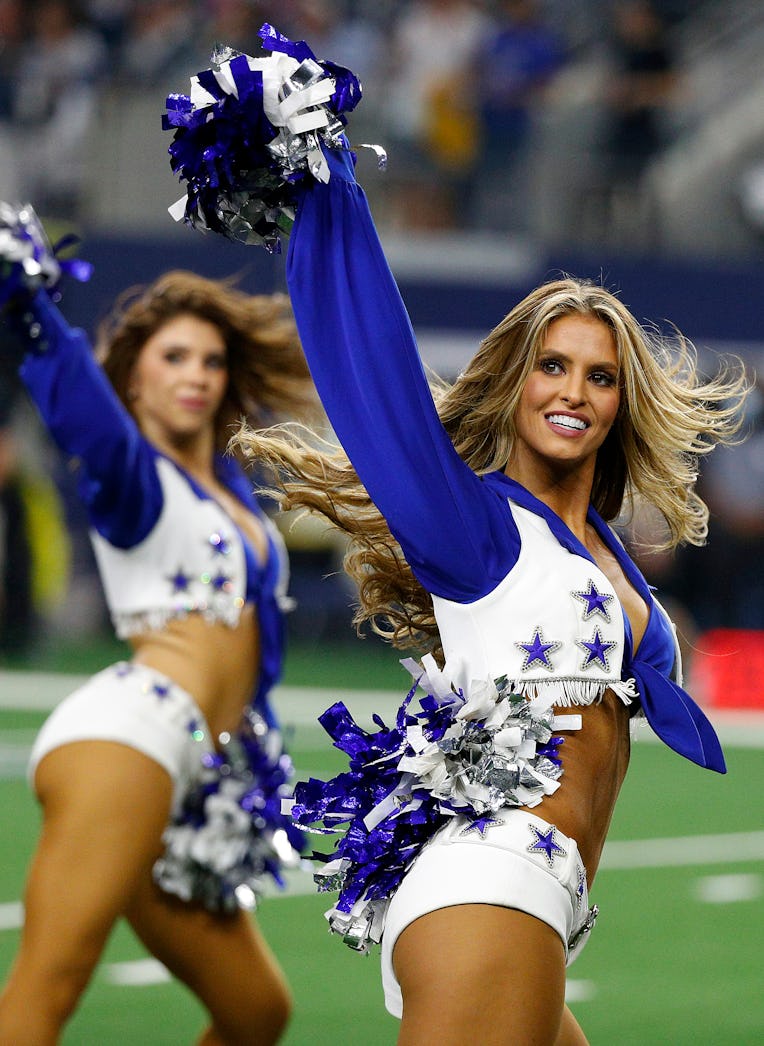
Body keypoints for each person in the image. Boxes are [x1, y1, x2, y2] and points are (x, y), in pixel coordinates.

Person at [163, 30, 747, 1045]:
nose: (573, 390)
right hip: (491, 883)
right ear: (513, 383)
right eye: (550, 366)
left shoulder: (602, 552)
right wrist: (325, 180)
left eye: (598, 375)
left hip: (537, 898)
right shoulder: (474, 525)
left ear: (621, 400)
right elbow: (376, 372)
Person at [0, 233, 316, 1045]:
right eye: (173, 357)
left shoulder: (231, 491)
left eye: (211, 362)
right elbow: (89, 422)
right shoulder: (132, 475)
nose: (196, 377)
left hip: (198, 781)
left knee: (256, 1012)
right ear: (134, 373)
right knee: (49, 986)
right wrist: (31, 304)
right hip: (131, 738)